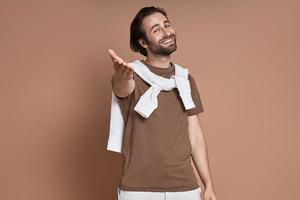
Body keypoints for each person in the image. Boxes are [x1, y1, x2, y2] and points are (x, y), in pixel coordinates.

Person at [108, 6, 218, 200]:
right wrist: (121, 76)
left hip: (185, 188)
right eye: (156, 29)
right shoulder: (132, 73)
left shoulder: (184, 79)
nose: (166, 32)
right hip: (138, 190)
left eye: (166, 25)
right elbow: (122, 88)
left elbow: (195, 137)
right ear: (143, 42)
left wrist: (208, 184)